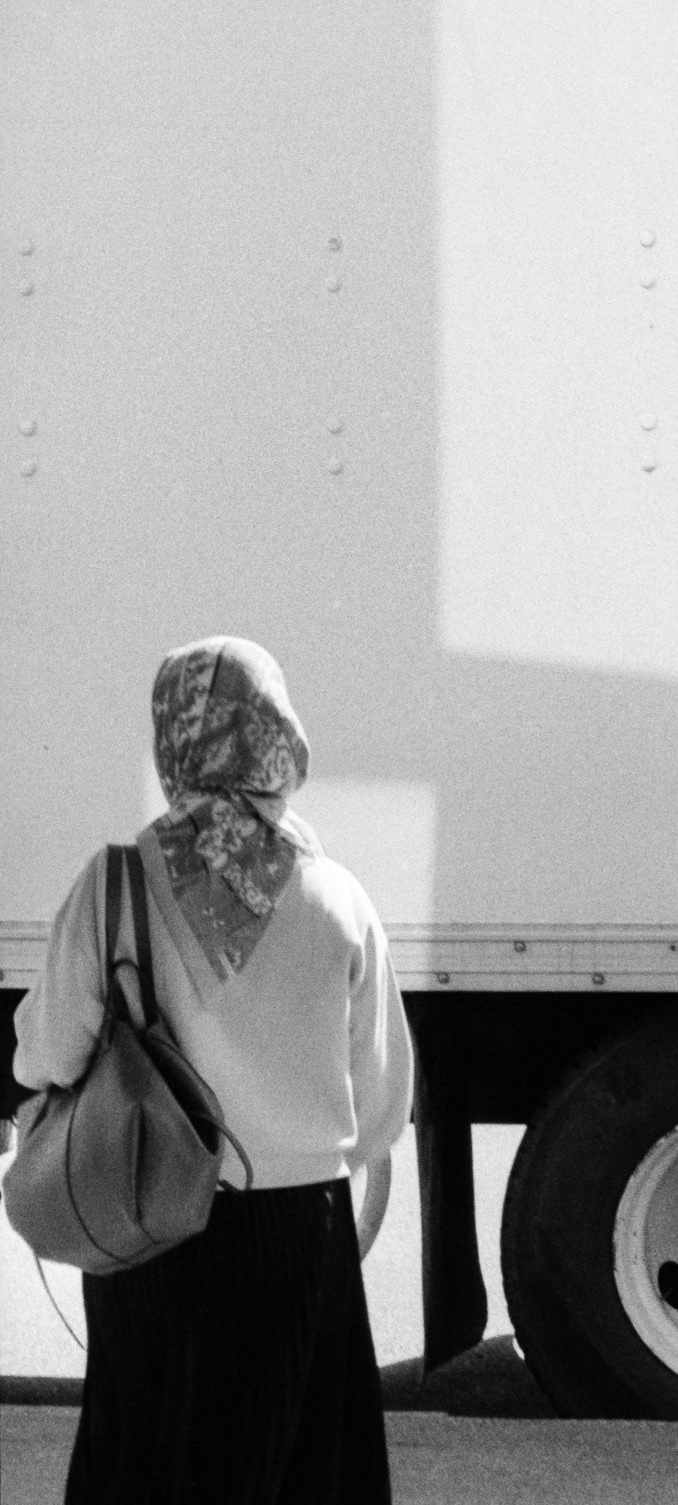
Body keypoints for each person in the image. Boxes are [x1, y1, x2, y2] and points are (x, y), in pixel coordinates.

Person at [13, 636, 414, 1504]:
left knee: (154, 1455)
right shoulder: (339, 897)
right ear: (280, 738)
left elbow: (45, 1053)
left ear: (172, 739)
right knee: (297, 1465)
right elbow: (382, 1109)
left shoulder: (112, 884)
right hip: (302, 1233)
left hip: (154, 1218)